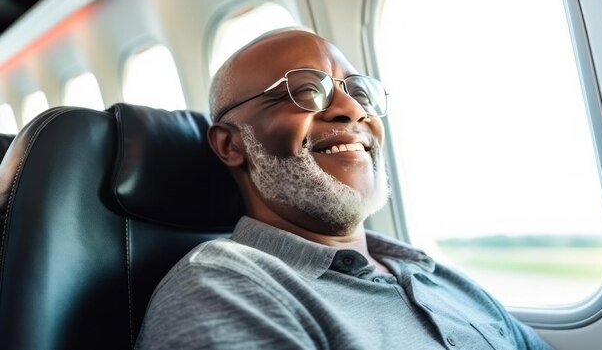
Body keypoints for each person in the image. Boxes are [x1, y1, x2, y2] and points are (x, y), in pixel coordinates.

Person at [134, 28, 553, 349]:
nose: (353, 109)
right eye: (304, 92)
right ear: (232, 144)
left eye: (359, 92)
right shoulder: (223, 288)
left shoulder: (431, 272)